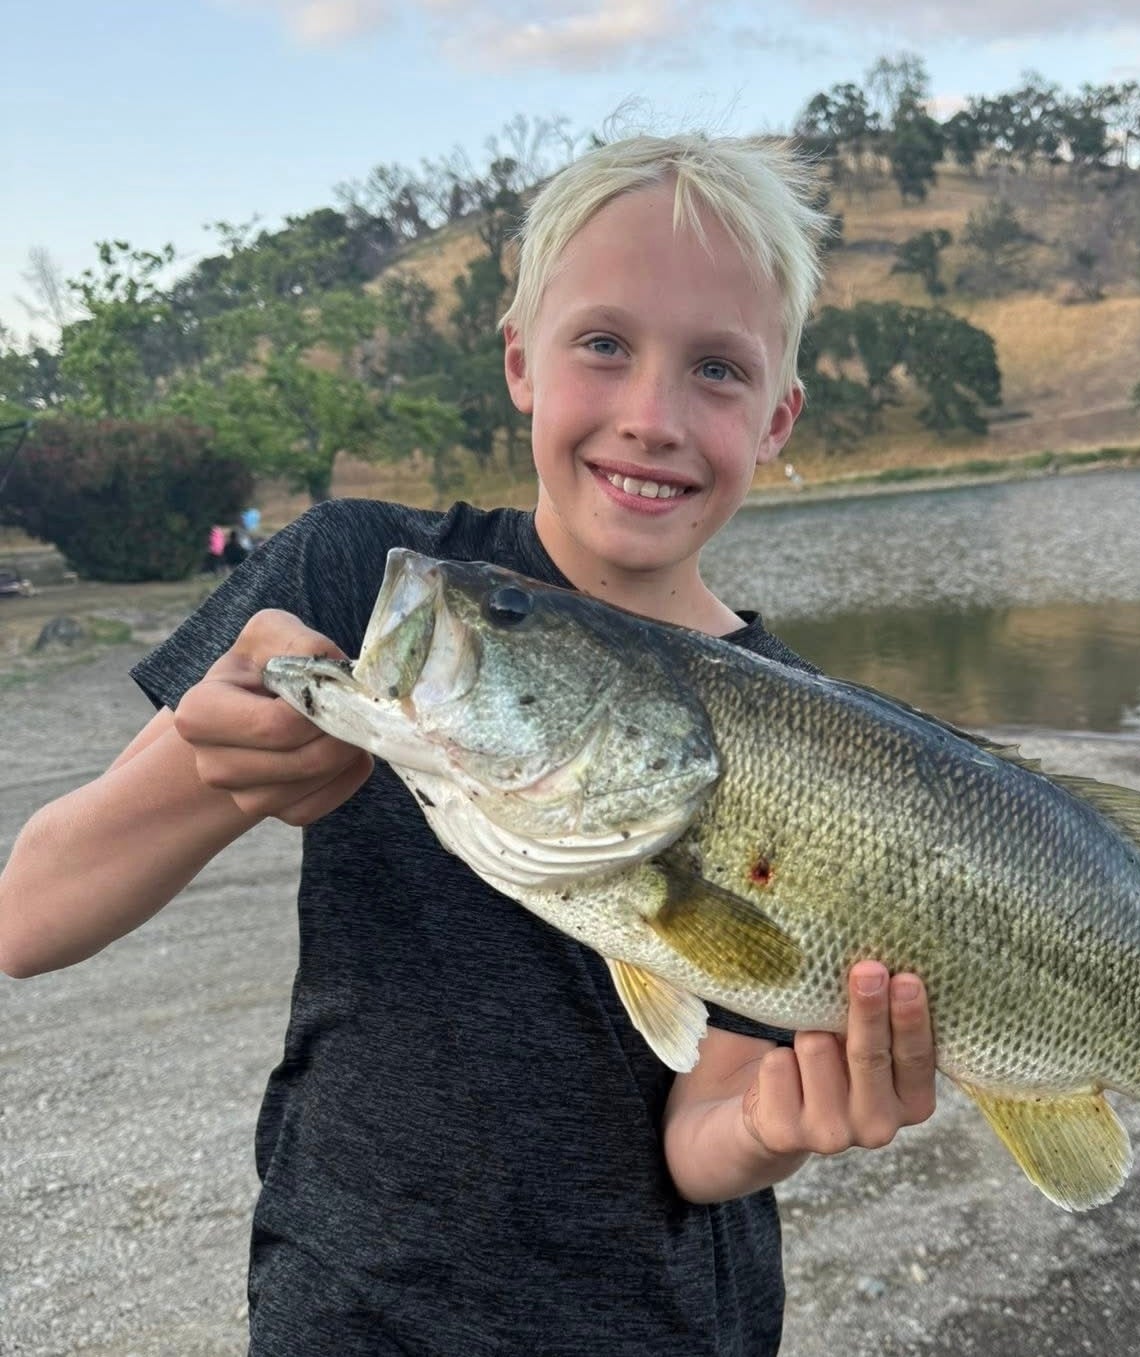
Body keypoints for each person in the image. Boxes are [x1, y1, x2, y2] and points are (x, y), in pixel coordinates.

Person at [0, 134, 938, 1355]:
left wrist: (774, 1121)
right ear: (519, 363)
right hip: (349, 1311)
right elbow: (29, 914)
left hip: (663, 1325)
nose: (650, 417)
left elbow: (699, 1133)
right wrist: (215, 767)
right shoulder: (366, 587)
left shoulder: (812, 751)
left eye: (716, 369)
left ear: (775, 420)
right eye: (602, 344)